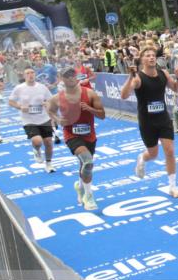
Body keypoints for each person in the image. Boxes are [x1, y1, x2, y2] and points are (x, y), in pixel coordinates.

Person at [122, 47, 178, 197]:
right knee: (153, 154)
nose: (151, 58)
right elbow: (123, 95)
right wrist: (130, 77)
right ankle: (142, 158)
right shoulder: (138, 78)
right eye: (147, 55)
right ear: (142, 60)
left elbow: (176, 89)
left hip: (163, 118)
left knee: (170, 151)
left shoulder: (163, 73)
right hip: (147, 122)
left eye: (153, 55)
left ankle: (173, 186)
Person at [49, 68, 105, 210]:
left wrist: (89, 109)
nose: (71, 79)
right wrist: (57, 119)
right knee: (87, 162)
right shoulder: (57, 98)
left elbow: (102, 115)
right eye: (67, 77)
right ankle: (89, 196)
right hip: (71, 135)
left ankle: (79, 187)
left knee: (84, 166)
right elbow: (49, 109)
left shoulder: (90, 94)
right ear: (62, 79)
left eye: (73, 76)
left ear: (77, 78)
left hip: (89, 135)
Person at [8, 67, 55, 172]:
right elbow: (10, 102)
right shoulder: (19, 88)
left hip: (44, 118)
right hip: (28, 119)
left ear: (35, 74)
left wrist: (46, 103)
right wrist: (20, 107)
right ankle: (37, 150)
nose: (30, 75)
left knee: (48, 142)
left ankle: (49, 163)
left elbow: (51, 100)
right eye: (28, 73)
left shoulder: (42, 87)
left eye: (32, 72)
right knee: (37, 141)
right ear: (24, 76)